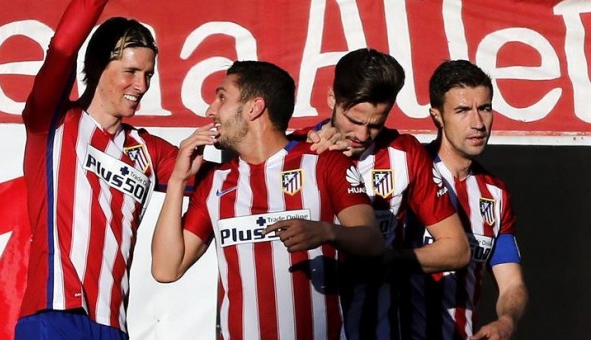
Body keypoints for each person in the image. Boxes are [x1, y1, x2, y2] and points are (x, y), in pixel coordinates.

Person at [151, 60, 385, 339]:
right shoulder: (216, 181)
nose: (210, 110)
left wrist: (325, 231)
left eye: (222, 97)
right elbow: (166, 269)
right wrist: (177, 180)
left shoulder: (324, 163)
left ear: (254, 107)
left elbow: (372, 242)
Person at [16, 0, 179, 338]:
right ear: (97, 65)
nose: (142, 86)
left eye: (148, 74)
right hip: (55, 314)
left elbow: (231, 175)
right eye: (131, 72)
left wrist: (311, 137)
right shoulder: (55, 122)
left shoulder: (148, 150)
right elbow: (61, 50)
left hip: (113, 326)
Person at [298, 48, 470, 339]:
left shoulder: (404, 153)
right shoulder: (298, 150)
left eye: (375, 125)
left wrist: (383, 259)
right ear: (332, 99)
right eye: (354, 120)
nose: (363, 136)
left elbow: (457, 249)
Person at [399, 60, 528, 340]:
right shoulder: (404, 173)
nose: (478, 123)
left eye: (484, 108)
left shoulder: (495, 194)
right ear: (437, 116)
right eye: (462, 110)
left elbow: (511, 283)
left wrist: (506, 320)